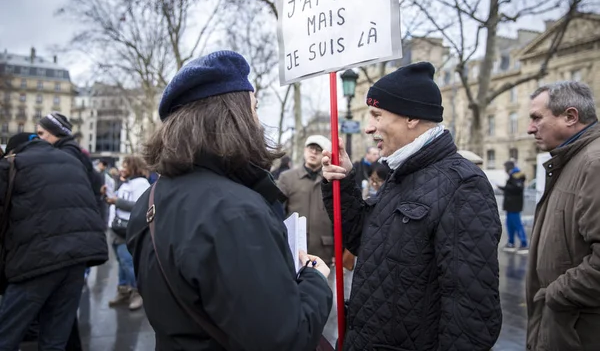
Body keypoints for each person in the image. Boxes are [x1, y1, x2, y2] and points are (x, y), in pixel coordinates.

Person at [126, 50, 332, 350]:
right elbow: (286, 339)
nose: (259, 122)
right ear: (232, 116)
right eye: (255, 108)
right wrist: (314, 280)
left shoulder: (148, 200)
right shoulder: (236, 212)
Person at [321, 61, 502, 351]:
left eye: (377, 115)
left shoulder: (463, 184)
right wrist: (341, 183)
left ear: (411, 118)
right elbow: (362, 241)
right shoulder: (402, 174)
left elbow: (471, 314)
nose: (369, 128)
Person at [0, 133, 108, 350]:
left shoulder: (13, 163)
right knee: (55, 340)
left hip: (35, 261)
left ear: (13, 150)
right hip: (78, 258)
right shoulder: (71, 161)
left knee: (6, 334)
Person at [525, 81, 600, 351]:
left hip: (577, 331)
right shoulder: (572, 160)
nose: (529, 128)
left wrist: (554, 296)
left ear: (570, 116)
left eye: (536, 118)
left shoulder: (593, 163)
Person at [279, 135, 334, 265]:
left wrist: (338, 252)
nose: (313, 152)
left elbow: (339, 218)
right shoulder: (287, 178)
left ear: (326, 155)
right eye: (311, 148)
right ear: (304, 150)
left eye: (318, 149)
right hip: (292, 249)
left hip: (324, 251)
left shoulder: (332, 181)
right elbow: (277, 213)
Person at [105, 155, 149, 311]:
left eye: (125, 166)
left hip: (127, 230)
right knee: (122, 263)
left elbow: (139, 205)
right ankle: (123, 290)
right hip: (116, 228)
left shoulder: (141, 183)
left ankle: (138, 292)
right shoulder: (126, 182)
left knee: (127, 262)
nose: (121, 169)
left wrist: (116, 201)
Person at [498, 160, 528, 254]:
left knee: (517, 224)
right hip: (511, 205)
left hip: (514, 205)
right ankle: (511, 243)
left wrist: (505, 188)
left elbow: (518, 188)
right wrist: (502, 188)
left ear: (508, 167)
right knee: (510, 225)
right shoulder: (514, 175)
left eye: (505, 167)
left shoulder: (517, 175)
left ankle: (524, 244)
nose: (505, 170)